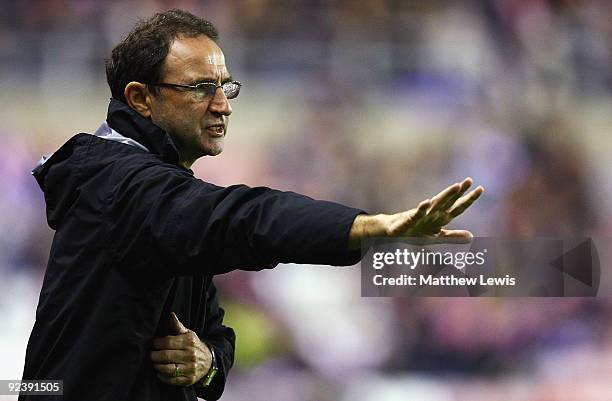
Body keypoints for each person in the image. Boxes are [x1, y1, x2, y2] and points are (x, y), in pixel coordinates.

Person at [20, 9, 483, 401]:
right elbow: (244, 218)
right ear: (141, 98)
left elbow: (214, 334)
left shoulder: (160, 193)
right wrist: (363, 227)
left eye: (226, 86)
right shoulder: (123, 186)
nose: (222, 105)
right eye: (201, 88)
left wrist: (206, 364)